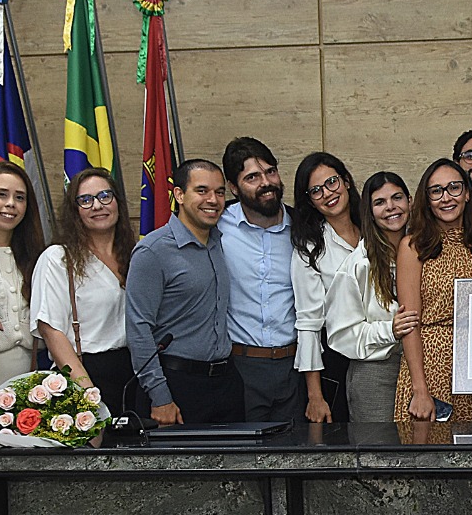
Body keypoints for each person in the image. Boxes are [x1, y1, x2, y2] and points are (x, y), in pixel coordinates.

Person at [126, 159, 242, 425]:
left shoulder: (218, 242)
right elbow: (138, 330)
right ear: (179, 194)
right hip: (176, 384)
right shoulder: (152, 251)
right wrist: (160, 396)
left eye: (219, 192)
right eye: (202, 191)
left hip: (225, 383)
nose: (213, 200)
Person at [393, 160, 472, 421]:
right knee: (432, 445)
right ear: (427, 200)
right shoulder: (413, 246)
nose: (446, 197)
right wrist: (420, 389)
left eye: (454, 187)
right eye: (436, 191)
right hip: (431, 369)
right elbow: (410, 323)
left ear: (467, 194)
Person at [30, 167, 137, 415]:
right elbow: (51, 331)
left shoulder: (135, 255)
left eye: (105, 196)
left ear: (118, 202)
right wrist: (88, 396)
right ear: (74, 211)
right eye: (86, 200)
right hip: (84, 372)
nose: (97, 206)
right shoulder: (58, 259)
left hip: (133, 376)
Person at [217, 137, 304, 424]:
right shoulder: (217, 226)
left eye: (270, 172)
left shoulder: (303, 227)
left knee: (297, 448)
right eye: (252, 177)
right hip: (239, 367)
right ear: (233, 187)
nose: (266, 183)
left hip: (295, 367)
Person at [327, 171, 418, 422]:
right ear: (369, 211)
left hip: (421, 367)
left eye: (397, 198)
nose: (391, 207)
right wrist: (390, 330)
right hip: (376, 372)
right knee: (379, 445)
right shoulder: (359, 264)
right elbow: (340, 334)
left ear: (410, 201)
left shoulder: (423, 252)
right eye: (380, 202)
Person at [291, 151, 363, 424]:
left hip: (385, 353)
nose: (327, 194)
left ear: (346, 181)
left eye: (332, 182)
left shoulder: (374, 230)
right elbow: (308, 323)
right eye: (316, 190)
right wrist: (315, 395)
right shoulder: (309, 248)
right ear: (309, 201)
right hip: (337, 359)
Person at [0, 161, 45, 389]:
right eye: (2, 194)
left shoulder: (37, 255)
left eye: (20, 197)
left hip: (30, 381)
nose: (11, 204)